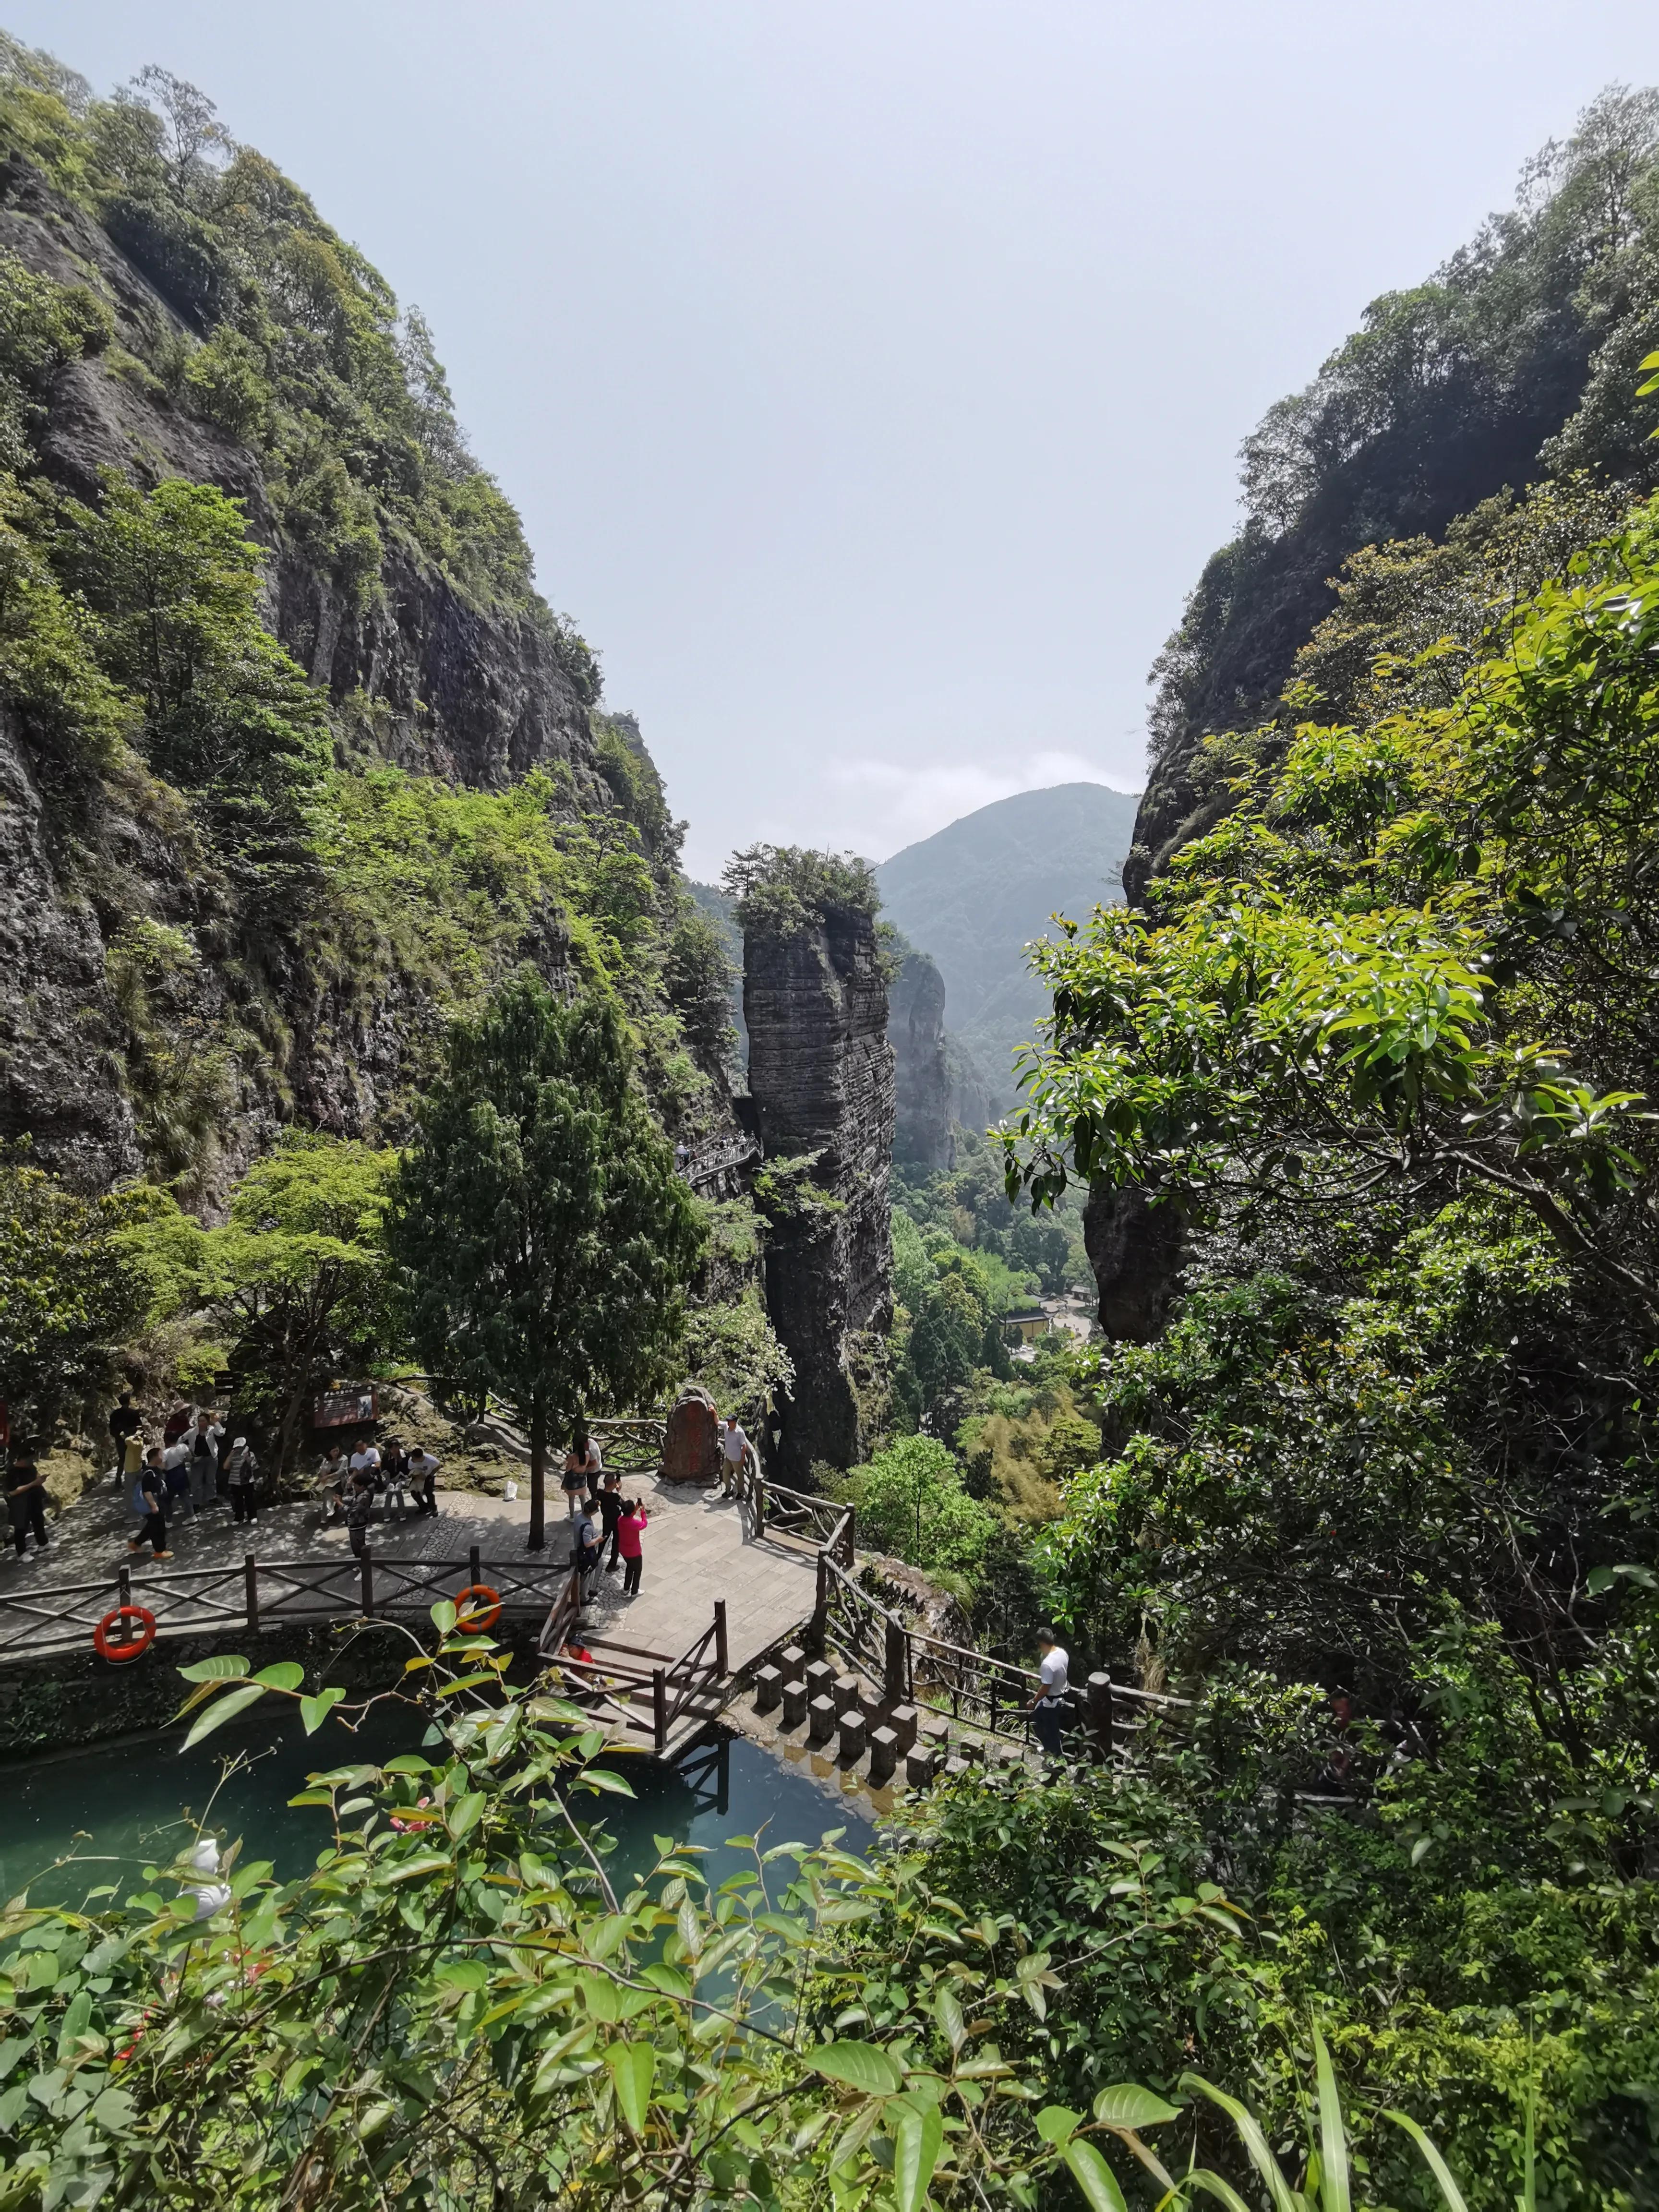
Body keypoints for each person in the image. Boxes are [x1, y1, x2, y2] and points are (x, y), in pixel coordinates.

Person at [1027, 1625, 1071, 1761]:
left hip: (1052, 1701)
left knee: (1048, 1729)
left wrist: (1034, 1701)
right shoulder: (1063, 1653)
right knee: (1050, 1727)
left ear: (1041, 1643)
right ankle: (1049, 1751)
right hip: (1063, 1695)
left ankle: (1057, 1760)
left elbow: (1046, 1686)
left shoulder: (1048, 1664)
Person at [5, 1443, 48, 1559]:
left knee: (39, 1522)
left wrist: (40, 1480)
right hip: (21, 1504)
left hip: (35, 1499)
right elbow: (12, 1492)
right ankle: (22, 1553)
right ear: (25, 1459)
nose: (33, 1461)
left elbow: (35, 1479)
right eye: (32, 1459)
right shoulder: (12, 1473)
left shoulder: (31, 1468)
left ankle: (43, 1544)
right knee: (21, 1528)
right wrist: (34, 1484)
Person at [129, 1448, 172, 1561]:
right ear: (155, 1457)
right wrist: (154, 1505)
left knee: (152, 1526)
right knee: (158, 1528)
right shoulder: (149, 1473)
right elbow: (147, 1491)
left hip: (160, 1503)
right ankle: (160, 1551)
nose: (163, 1456)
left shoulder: (156, 1469)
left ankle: (135, 1544)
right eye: (161, 1454)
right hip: (153, 1505)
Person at [189, 1411, 224, 1510]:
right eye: (199, 1421)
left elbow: (221, 1433)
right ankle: (196, 1503)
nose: (201, 1423)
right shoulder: (192, 1432)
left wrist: (216, 1422)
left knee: (211, 1479)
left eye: (203, 1421)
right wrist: (187, 1452)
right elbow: (180, 1440)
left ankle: (212, 1498)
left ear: (208, 1422)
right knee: (196, 1482)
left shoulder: (212, 1430)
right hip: (198, 1460)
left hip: (211, 1458)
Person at [222, 1436, 260, 1526]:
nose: (238, 1449)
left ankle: (253, 1516)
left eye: (240, 1447)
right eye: (237, 1448)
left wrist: (247, 1458)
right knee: (237, 1501)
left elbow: (255, 1467)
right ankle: (239, 1518)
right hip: (235, 1482)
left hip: (247, 1482)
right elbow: (225, 1467)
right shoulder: (233, 1456)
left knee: (250, 1500)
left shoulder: (250, 1454)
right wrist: (230, 1456)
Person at [571, 1497, 602, 1600]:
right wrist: (598, 1539)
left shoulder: (579, 1516)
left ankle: (586, 1591)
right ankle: (584, 1597)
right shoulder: (587, 1526)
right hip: (586, 1553)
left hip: (578, 1548)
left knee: (584, 1575)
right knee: (587, 1575)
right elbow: (588, 1543)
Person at [616, 1497, 648, 1597]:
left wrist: (635, 1510)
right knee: (638, 1570)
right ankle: (635, 1591)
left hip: (624, 1551)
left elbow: (628, 1517)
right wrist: (643, 1512)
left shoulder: (620, 1520)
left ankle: (626, 1589)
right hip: (634, 1552)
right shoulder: (634, 1524)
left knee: (630, 1567)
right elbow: (644, 1524)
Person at [161, 1431, 195, 1522]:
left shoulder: (166, 1453)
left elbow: (163, 1467)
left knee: (168, 1500)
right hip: (181, 1472)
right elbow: (190, 1458)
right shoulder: (184, 1447)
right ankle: (192, 1516)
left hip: (171, 1475)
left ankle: (169, 1521)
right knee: (185, 1496)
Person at [108, 1393, 141, 1481]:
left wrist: (119, 1436)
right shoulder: (134, 1413)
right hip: (132, 1439)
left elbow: (112, 1429)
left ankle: (118, 1479)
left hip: (120, 1440)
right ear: (129, 1401)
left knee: (122, 1459)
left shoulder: (115, 1414)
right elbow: (139, 1427)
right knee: (134, 1458)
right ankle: (132, 1479)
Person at [597, 1469, 625, 1572]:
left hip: (606, 1520)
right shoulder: (615, 1497)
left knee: (604, 1538)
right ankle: (612, 1565)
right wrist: (619, 1491)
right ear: (613, 1483)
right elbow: (624, 1505)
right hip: (617, 1522)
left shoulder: (599, 1493)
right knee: (616, 1543)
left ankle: (597, 1556)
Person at [344, 1469, 376, 1559]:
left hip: (359, 1524)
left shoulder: (364, 1496)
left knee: (358, 1547)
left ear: (362, 1486)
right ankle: (361, 1563)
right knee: (356, 1546)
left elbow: (352, 1510)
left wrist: (338, 1502)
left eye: (355, 1485)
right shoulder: (360, 1494)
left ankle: (363, 1565)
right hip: (354, 1524)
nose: (354, 1487)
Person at [381, 1439, 410, 1522]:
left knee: (398, 1490)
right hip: (389, 1479)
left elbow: (408, 1469)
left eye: (396, 1447)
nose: (394, 1450)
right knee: (390, 1491)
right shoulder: (387, 1457)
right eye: (392, 1448)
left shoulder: (405, 1455)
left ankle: (402, 1513)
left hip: (402, 1477)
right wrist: (388, 1481)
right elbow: (384, 1470)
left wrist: (400, 1476)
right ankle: (386, 1515)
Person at [408, 1447, 440, 1518]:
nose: (412, 1459)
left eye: (414, 1458)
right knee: (414, 1492)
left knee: (428, 1491)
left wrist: (430, 1475)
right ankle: (424, 1507)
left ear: (419, 1458)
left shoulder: (430, 1460)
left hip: (429, 1475)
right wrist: (416, 1476)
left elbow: (439, 1466)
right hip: (417, 1476)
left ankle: (433, 1508)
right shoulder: (411, 1461)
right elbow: (410, 1471)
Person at [720, 1414, 748, 1490]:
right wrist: (714, 1412)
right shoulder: (726, 1426)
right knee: (725, 1474)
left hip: (737, 1459)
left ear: (735, 1422)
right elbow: (718, 1422)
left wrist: (742, 1459)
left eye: (730, 1421)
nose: (728, 1422)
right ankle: (728, 1490)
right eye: (728, 1421)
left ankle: (740, 1492)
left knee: (740, 1475)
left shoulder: (740, 1432)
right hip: (728, 1457)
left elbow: (744, 1446)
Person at [561, 1443, 588, 1519]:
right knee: (583, 1498)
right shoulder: (588, 1455)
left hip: (573, 1479)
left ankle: (572, 1517)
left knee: (571, 1499)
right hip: (582, 1478)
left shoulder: (573, 1457)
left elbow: (568, 1469)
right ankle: (584, 1516)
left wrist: (568, 1461)